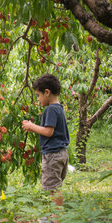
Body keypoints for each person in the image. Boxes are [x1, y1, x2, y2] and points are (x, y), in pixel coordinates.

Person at [22, 74, 69, 212]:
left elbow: (49, 131)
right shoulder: (59, 108)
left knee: (53, 189)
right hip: (62, 153)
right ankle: (55, 217)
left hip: (53, 155)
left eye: (38, 95)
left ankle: (56, 220)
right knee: (55, 187)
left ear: (47, 92)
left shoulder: (50, 109)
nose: (37, 99)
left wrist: (31, 126)